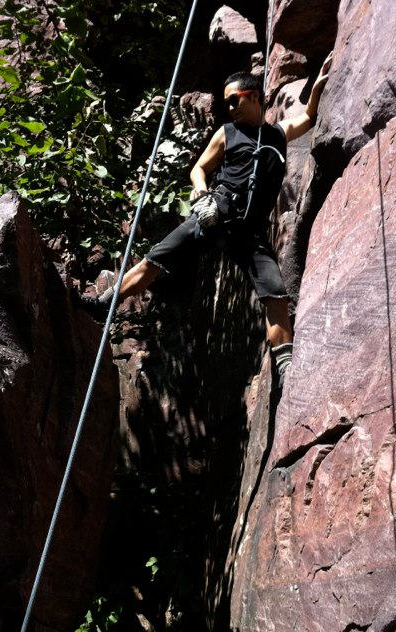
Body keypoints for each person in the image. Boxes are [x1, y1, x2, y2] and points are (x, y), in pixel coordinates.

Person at [77, 53, 332, 385]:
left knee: (276, 295)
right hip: (215, 213)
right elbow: (199, 168)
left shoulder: (276, 135)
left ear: (255, 96)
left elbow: (308, 117)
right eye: (227, 102)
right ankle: (103, 304)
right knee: (154, 260)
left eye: (234, 100)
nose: (230, 107)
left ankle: (286, 369)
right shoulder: (227, 133)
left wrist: (317, 88)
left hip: (249, 232)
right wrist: (201, 191)